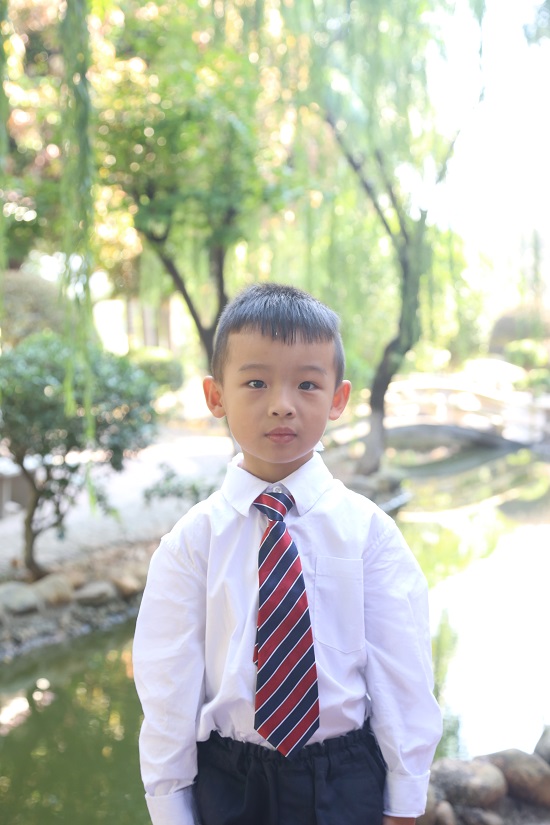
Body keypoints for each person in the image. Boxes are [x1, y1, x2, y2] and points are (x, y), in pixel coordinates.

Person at [133, 283, 442, 825]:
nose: (282, 403)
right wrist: (170, 806)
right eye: (256, 382)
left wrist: (405, 799)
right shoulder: (191, 543)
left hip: (344, 776)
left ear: (338, 399)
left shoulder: (368, 533)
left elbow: (403, 672)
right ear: (216, 396)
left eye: (307, 384)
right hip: (230, 780)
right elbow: (167, 687)